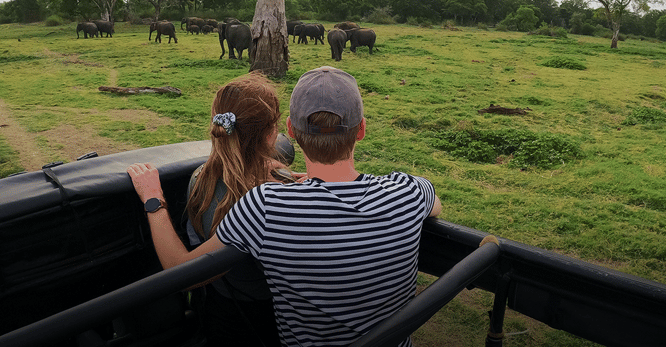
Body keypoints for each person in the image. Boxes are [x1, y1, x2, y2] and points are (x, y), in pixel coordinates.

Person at [128, 66, 442, 347]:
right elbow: (436, 205)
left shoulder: (263, 206)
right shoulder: (409, 192)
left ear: (291, 131)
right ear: (360, 129)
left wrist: (153, 199)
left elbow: (181, 269)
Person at [129, 71, 304, 347]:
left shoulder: (201, 180)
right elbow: (182, 273)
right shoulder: (279, 190)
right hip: (273, 317)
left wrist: (153, 198)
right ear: (272, 134)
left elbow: (183, 274)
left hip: (224, 313)